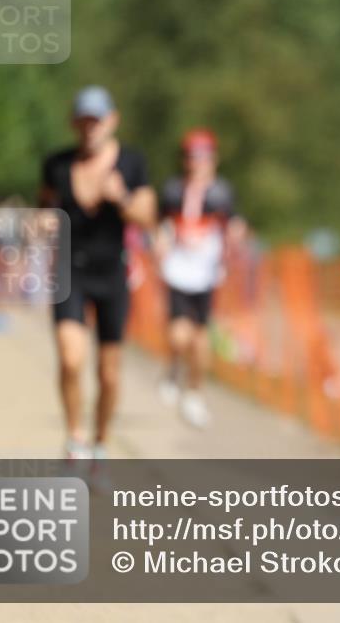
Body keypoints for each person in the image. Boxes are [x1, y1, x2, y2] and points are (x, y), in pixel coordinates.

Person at [39, 86, 157, 465]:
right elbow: (45, 206)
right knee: (71, 359)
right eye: (84, 120)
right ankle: (75, 439)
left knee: (109, 373)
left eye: (98, 120)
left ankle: (101, 443)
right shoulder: (56, 165)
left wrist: (120, 198)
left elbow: (148, 217)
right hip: (69, 269)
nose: (91, 128)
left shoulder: (131, 164)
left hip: (112, 273)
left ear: (112, 121)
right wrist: (41, 222)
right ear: (75, 123)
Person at [155, 128, 244, 428]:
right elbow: (161, 225)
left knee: (201, 340)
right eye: (193, 157)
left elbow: (233, 225)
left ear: (213, 160)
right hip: (178, 271)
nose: (198, 163)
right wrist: (161, 242)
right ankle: (172, 370)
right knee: (179, 336)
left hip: (206, 276)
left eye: (203, 157)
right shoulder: (172, 191)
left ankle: (194, 394)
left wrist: (234, 242)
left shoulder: (222, 192)